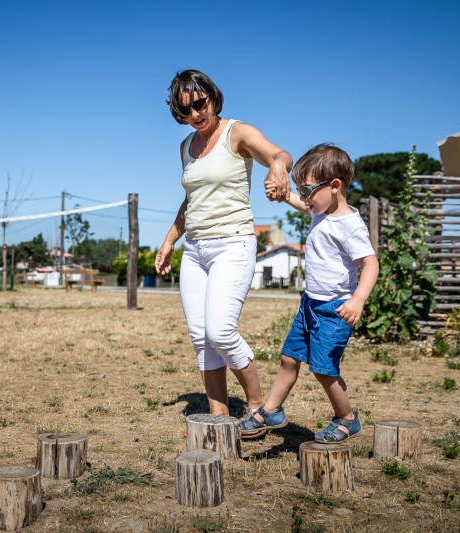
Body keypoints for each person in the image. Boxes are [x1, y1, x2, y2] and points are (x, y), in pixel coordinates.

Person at [155, 69, 292, 429]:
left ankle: (259, 407)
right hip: (195, 250)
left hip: (232, 243)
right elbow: (191, 201)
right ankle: (218, 416)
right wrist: (170, 241)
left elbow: (279, 154)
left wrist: (278, 167)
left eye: (200, 104)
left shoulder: (237, 132)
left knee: (220, 331)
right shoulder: (185, 148)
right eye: (185, 111)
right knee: (201, 338)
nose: (196, 114)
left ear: (213, 97)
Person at [239, 143, 379, 442]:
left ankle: (347, 418)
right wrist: (284, 195)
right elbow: (305, 205)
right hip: (310, 305)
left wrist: (358, 299)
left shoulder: (350, 225)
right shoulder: (320, 209)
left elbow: (370, 263)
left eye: (307, 190)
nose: (304, 198)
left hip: (334, 309)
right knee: (289, 358)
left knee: (324, 369)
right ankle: (272, 410)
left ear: (335, 185)